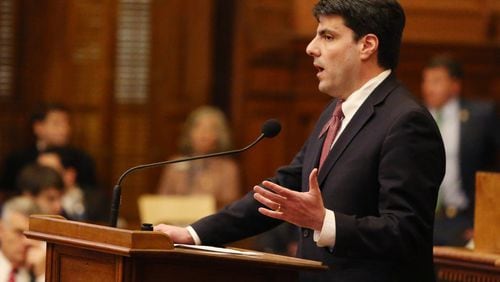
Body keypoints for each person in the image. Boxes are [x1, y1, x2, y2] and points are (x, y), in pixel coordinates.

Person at [155, 1, 445, 281]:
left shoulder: (407, 121)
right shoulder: (335, 111)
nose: (311, 48)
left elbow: (407, 233)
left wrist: (324, 222)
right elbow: (283, 191)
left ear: (367, 45)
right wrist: (194, 233)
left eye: (328, 36)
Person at [421, 55, 499, 246]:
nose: (429, 87)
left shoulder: (480, 117)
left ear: (455, 85)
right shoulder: (414, 115)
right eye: (426, 80)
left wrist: (486, 222)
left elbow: (494, 169)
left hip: (462, 221)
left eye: (437, 81)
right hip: (422, 219)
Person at [0, 103, 97, 202]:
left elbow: (93, 197)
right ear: (38, 127)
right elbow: (8, 194)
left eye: (67, 123)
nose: (65, 129)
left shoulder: (81, 159)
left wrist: (68, 184)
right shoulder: (17, 159)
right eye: (56, 123)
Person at [156, 106, 240, 209]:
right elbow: (162, 201)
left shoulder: (228, 168)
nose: (203, 133)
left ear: (220, 135)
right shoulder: (174, 164)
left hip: (210, 222)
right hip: (175, 222)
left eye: (211, 128)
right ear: (189, 132)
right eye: (198, 126)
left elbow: (230, 206)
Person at [0, 196, 45, 282]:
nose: (27, 242)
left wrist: (42, 275)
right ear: (1, 230)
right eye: (19, 233)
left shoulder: (46, 273)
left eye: (33, 236)